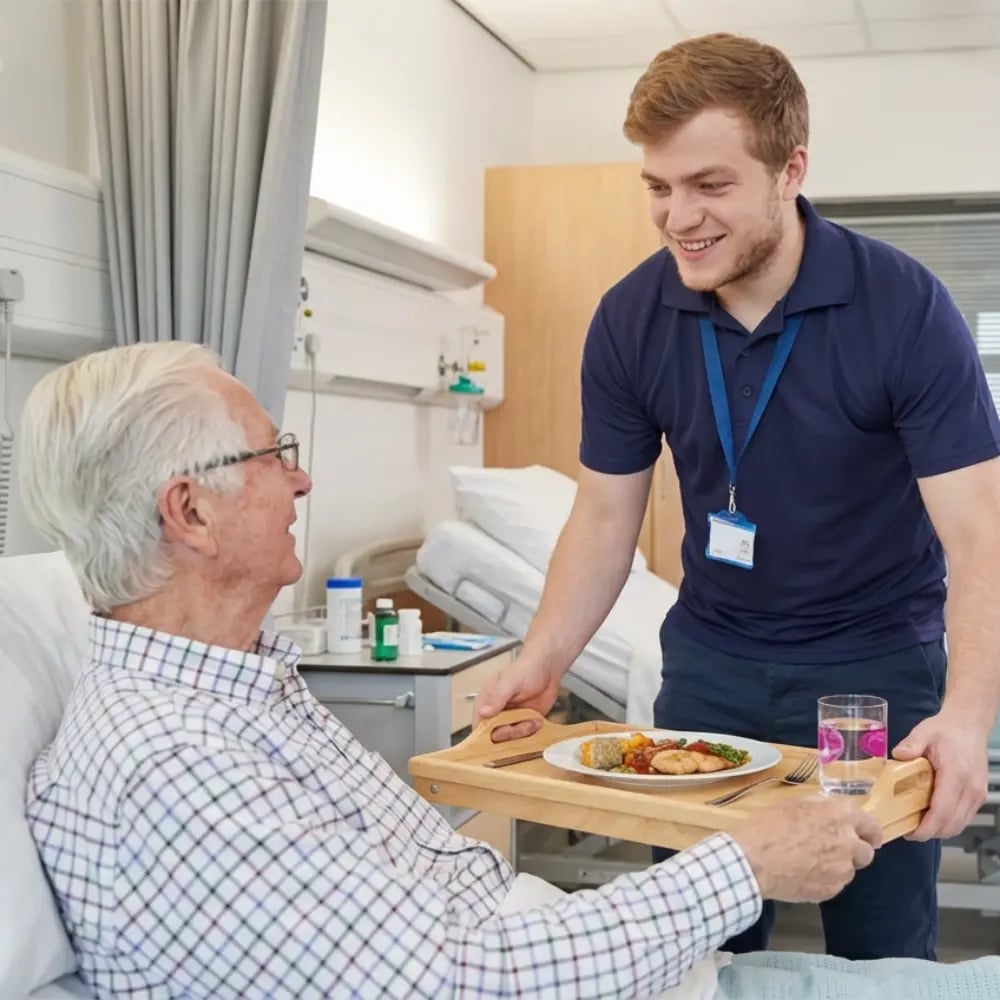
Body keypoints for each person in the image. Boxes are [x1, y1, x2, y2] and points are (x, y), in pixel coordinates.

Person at [20, 342, 885, 999]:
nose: (302, 479)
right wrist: (742, 866)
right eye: (271, 456)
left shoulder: (242, 694)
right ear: (191, 512)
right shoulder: (176, 765)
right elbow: (461, 984)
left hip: (611, 961)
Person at [473, 32, 1000, 963]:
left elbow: (979, 533)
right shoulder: (631, 318)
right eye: (659, 187)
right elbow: (604, 515)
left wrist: (965, 717)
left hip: (870, 675)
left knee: (879, 954)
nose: (679, 217)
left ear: (790, 170)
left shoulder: (903, 308)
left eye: (710, 185)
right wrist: (542, 659)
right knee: (698, 941)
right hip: (710, 665)